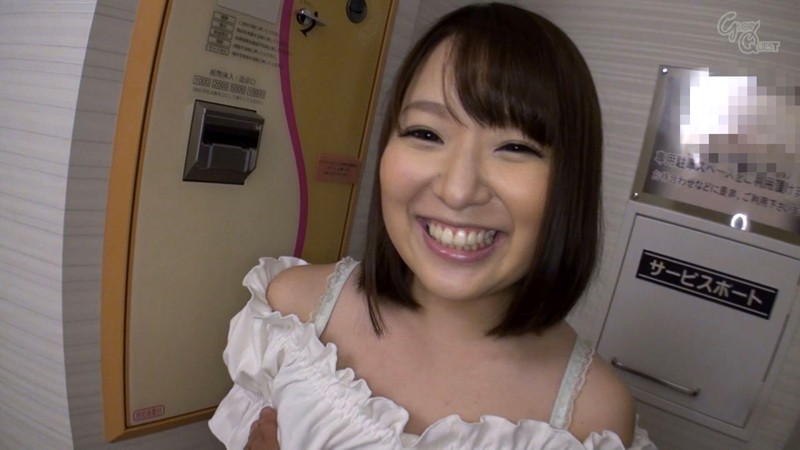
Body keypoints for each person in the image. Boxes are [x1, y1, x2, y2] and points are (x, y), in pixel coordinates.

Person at [209, 3, 657, 449]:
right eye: (426, 133)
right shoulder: (292, 313)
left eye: (515, 147)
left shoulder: (591, 419)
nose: (458, 191)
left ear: (571, 181)